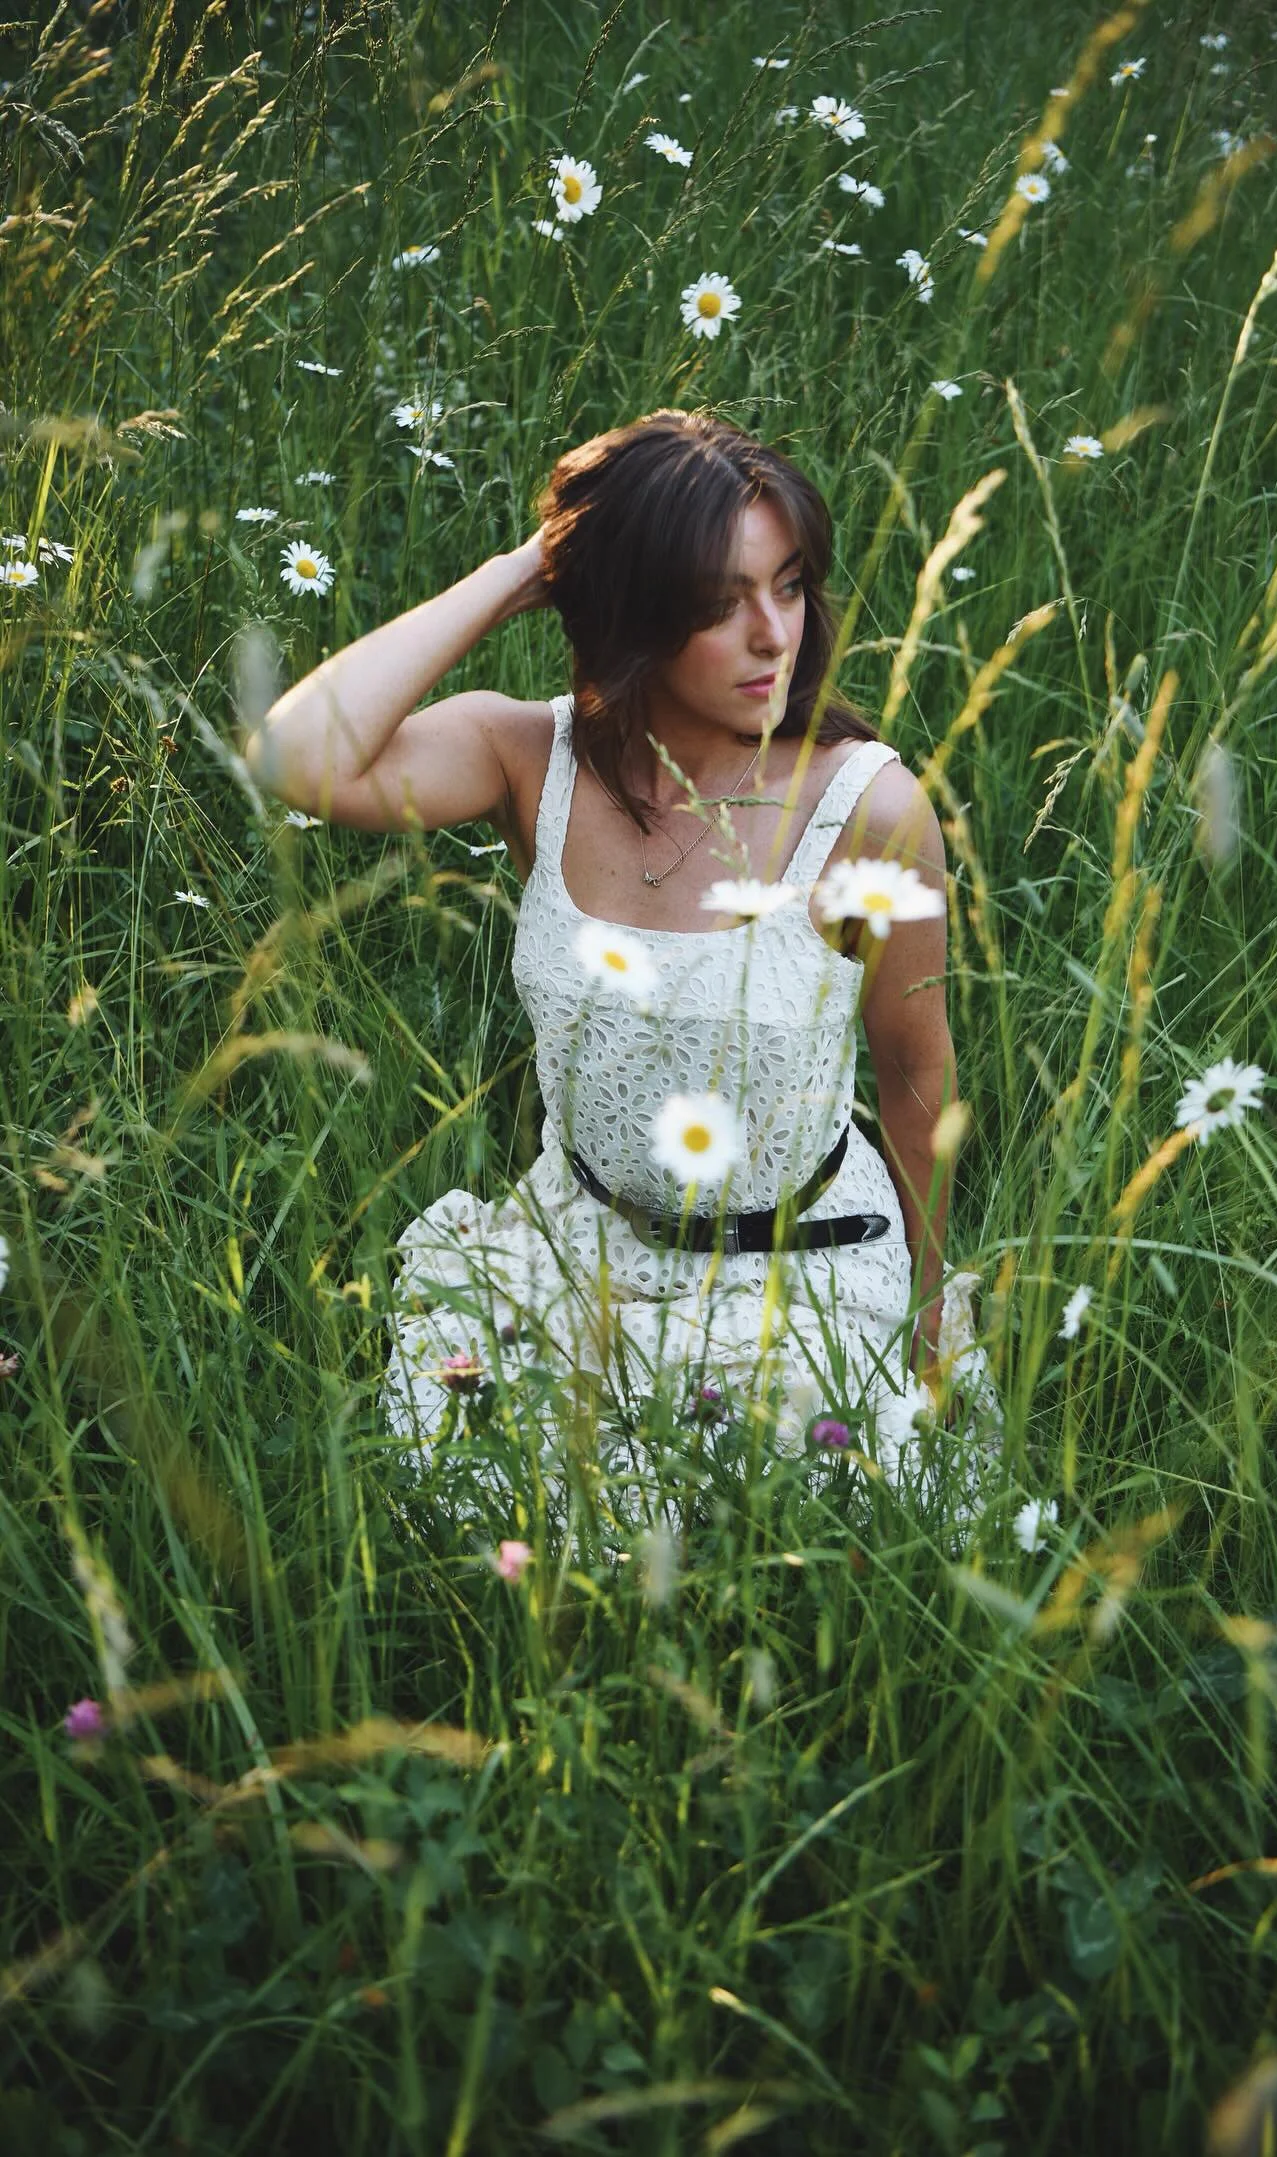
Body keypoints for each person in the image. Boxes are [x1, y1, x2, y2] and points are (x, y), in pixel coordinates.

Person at [245, 409, 999, 1506]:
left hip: (797, 1271)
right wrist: (525, 571)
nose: (774, 635)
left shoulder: (865, 806)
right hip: (578, 1248)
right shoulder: (529, 757)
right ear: (630, 612)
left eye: (788, 586)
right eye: (718, 604)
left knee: (739, 1542)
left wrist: (932, 1308)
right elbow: (292, 754)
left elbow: (918, 1073)